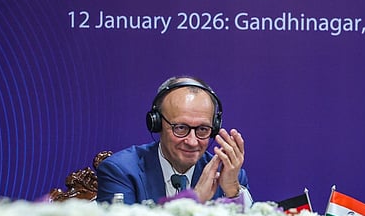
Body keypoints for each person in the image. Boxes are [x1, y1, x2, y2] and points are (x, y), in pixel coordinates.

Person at [96, 76, 252, 207]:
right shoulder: (121, 171)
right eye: (181, 128)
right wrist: (194, 200)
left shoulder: (229, 174)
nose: (192, 141)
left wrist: (232, 191)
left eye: (203, 129)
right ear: (156, 124)